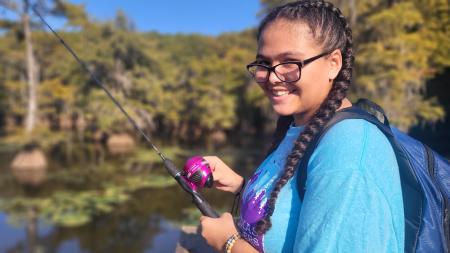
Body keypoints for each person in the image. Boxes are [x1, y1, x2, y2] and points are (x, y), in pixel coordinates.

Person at [199, 1, 405, 252]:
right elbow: (294, 213)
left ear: (334, 63)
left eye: (290, 62)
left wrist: (228, 242)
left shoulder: (349, 151)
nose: (273, 77)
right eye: (264, 64)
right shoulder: (297, 126)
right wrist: (242, 188)